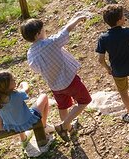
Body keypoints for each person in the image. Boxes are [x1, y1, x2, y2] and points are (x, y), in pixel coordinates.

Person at [20, 12, 92, 142]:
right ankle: (63, 126)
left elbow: (35, 69)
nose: (45, 31)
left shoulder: (30, 53)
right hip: (70, 80)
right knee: (84, 100)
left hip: (54, 85)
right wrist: (76, 19)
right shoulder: (51, 43)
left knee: (63, 106)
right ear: (37, 34)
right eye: (43, 30)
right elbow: (65, 31)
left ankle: (69, 129)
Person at [96, 4, 129, 124]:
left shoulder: (103, 38)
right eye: (123, 16)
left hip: (118, 70)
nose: (125, 17)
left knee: (123, 92)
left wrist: (108, 68)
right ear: (119, 20)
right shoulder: (128, 31)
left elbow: (100, 59)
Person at [0, 70, 53, 144]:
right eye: (12, 80)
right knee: (43, 97)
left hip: (11, 125)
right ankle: (44, 127)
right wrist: (23, 83)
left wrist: (1, 128)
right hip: (27, 121)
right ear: (5, 86)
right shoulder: (17, 95)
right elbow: (27, 89)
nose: (14, 80)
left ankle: (23, 138)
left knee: (16, 114)